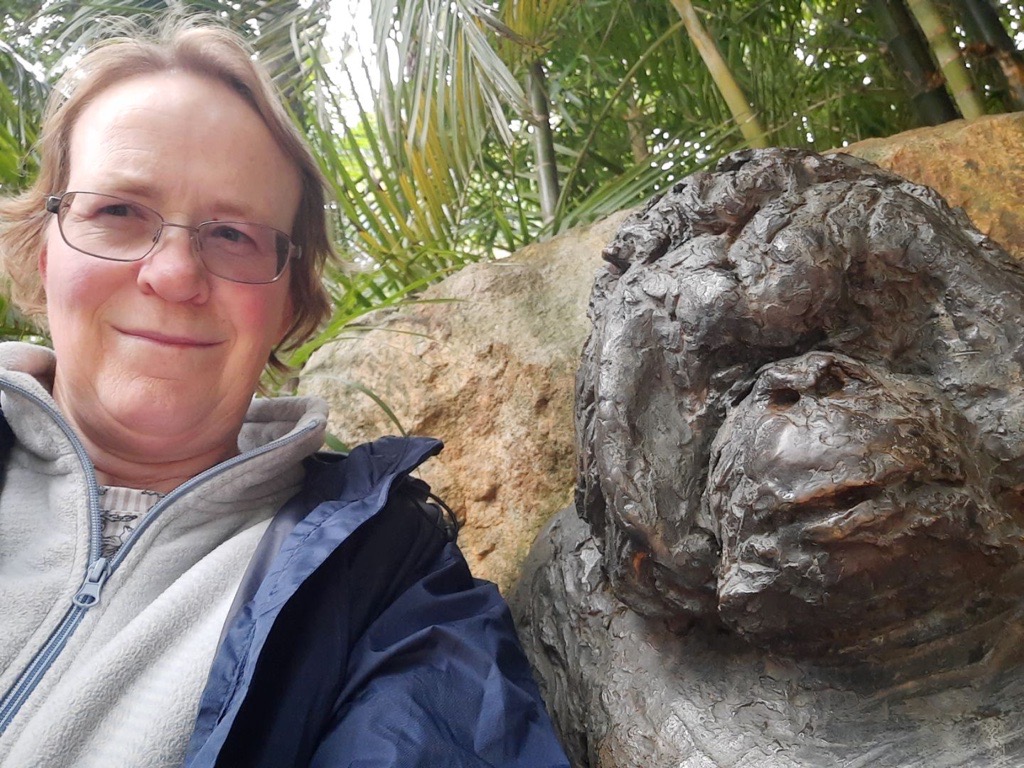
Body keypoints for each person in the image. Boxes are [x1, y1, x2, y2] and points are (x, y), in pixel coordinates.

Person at [0, 17, 569, 768]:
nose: (173, 275)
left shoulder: (384, 578)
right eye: (117, 212)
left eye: (233, 234)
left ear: (290, 306)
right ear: (44, 253)